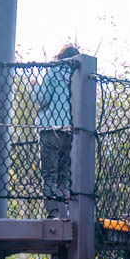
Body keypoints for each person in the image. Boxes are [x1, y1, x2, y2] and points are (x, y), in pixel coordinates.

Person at [30, 45, 76, 219]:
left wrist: (34, 86)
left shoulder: (54, 71)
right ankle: (65, 212)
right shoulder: (77, 76)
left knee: (49, 174)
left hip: (50, 129)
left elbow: (42, 98)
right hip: (70, 132)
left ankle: (53, 213)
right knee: (63, 176)